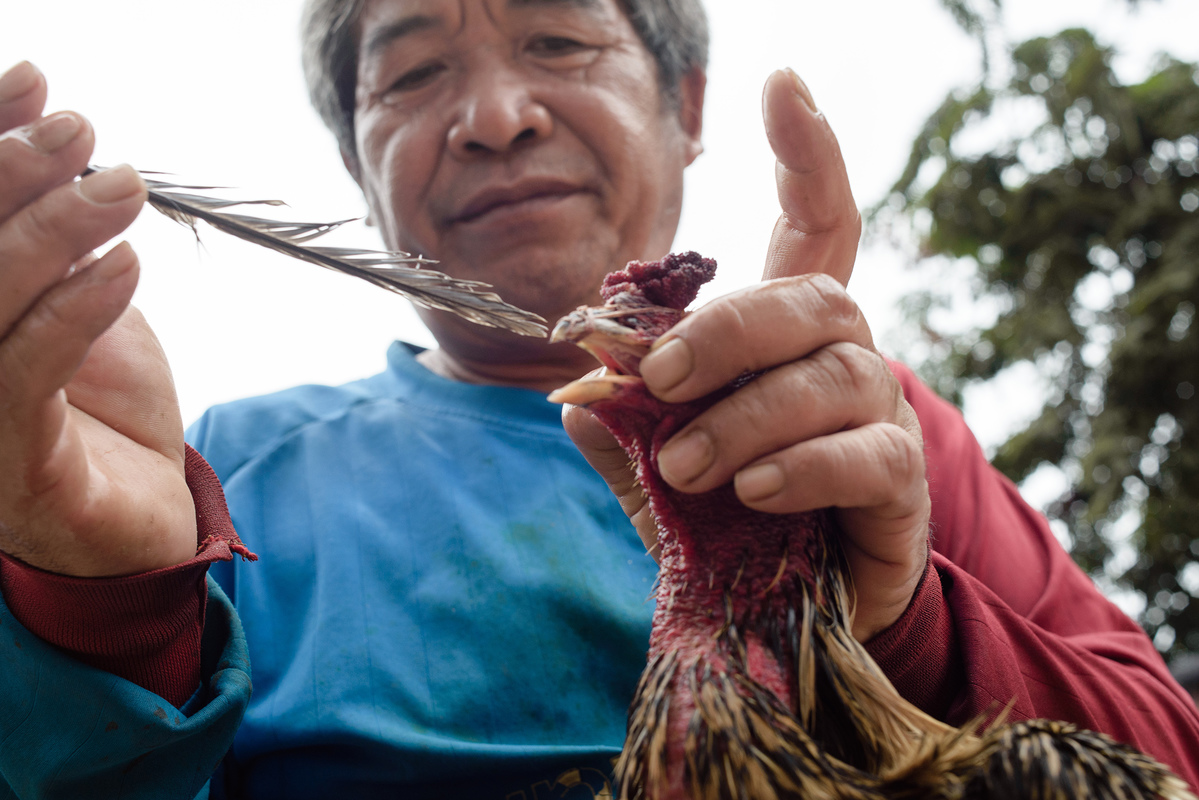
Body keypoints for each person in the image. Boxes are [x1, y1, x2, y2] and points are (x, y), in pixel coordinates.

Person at [0, 0, 1196, 797]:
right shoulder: (217, 478)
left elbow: (1162, 754)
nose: (493, 118)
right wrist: (101, 608)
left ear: (685, 108)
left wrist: (894, 628)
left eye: (560, 44)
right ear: (359, 169)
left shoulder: (867, 436)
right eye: (411, 75)